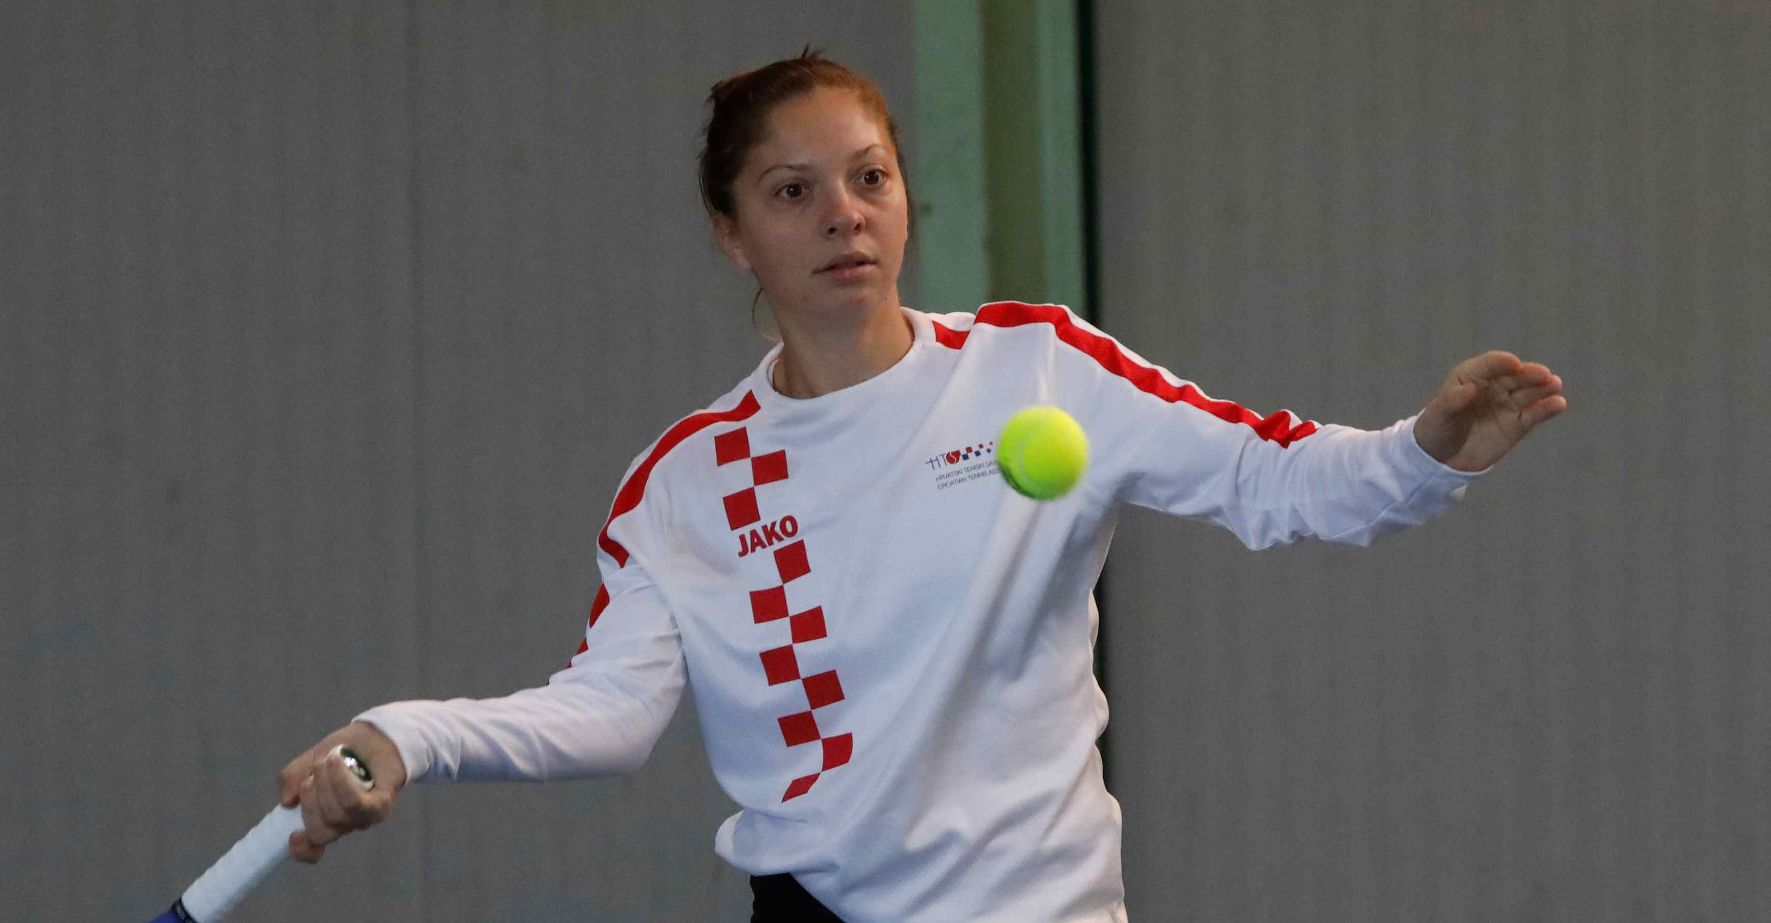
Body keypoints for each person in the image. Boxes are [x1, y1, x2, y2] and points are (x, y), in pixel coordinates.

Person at [271, 49, 1568, 922]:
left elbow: (1274, 476)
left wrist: (1426, 447)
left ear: (903, 197)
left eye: (870, 178)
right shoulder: (684, 482)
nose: (844, 214)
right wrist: (409, 734)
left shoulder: (1040, 367)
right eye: (793, 192)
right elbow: (607, 714)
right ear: (732, 235)